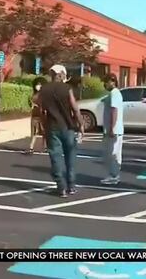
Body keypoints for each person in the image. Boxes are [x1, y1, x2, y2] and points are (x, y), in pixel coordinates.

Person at [37, 64, 85, 198]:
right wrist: (81, 124)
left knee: (56, 157)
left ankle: (61, 187)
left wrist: (44, 126)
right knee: (70, 157)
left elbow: (41, 110)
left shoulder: (44, 89)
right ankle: (71, 186)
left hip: (52, 127)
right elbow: (75, 108)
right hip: (68, 127)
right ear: (61, 74)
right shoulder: (67, 88)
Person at [100, 73, 124, 185]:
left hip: (114, 129)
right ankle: (115, 175)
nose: (105, 84)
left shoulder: (114, 93)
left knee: (111, 153)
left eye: (106, 81)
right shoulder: (115, 93)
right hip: (117, 129)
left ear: (112, 81)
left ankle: (113, 175)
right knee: (115, 153)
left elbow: (114, 111)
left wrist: (111, 128)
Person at [23, 77, 48, 155]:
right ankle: (31, 147)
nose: (38, 86)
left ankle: (45, 147)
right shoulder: (33, 95)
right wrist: (32, 105)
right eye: (37, 84)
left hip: (43, 115)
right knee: (34, 132)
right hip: (34, 115)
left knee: (44, 131)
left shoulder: (44, 95)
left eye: (40, 84)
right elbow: (30, 104)